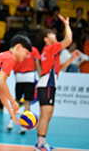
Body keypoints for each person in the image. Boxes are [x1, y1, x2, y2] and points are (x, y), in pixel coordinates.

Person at [35, 15, 77, 151]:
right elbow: (69, 40)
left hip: (47, 84)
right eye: (51, 34)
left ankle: (40, 143)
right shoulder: (51, 48)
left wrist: (71, 59)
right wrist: (66, 24)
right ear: (46, 39)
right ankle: (41, 144)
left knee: (45, 115)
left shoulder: (48, 51)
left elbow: (59, 67)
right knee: (46, 114)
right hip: (47, 84)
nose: (53, 35)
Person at [7, 41, 41, 134]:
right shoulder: (27, 50)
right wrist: (40, 76)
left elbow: (37, 63)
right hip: (23, 78)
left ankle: (14, 123)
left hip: (25, 77)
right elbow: (37, 64)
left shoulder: (27, 50)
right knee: (25, 103)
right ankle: (19, 124)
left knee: (19, 101)